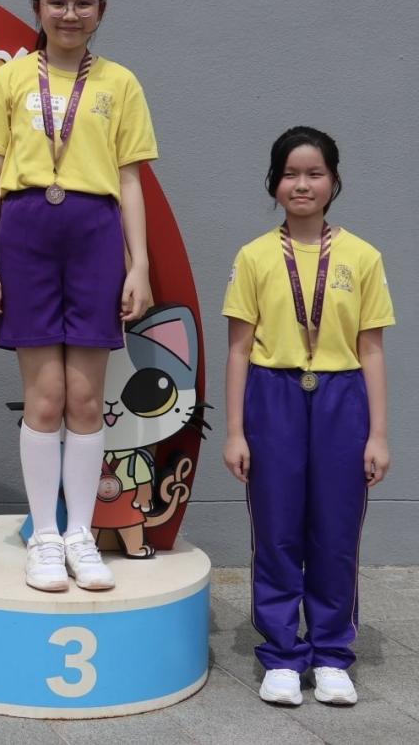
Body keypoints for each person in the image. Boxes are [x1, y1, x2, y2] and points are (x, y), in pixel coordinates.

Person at [0, 0, 157, 592]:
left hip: (95, 238)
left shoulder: (121, 84)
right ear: (36, 7)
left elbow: (130, 181)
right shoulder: (9, 78)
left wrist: (139, 265)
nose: (69, 13)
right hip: (25, 238)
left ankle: (81, 533)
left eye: (83, 2)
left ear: (101, 10)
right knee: (45, 397)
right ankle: (45, 537)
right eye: (57, 1)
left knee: (85, 398)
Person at [223, 126, 392, 707]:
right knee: (276, 530)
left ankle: (331, 653)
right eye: (290, 174)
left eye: (314, 174)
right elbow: (238, 349)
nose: (302, 184)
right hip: (272, 396)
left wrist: (378, 434)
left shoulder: (363, 256)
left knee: (336, 532)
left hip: (343, 398)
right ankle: (281, 654)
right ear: (274, 183)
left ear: (334, 182)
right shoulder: (253, 256)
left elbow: (372, 349)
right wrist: (235, 431)